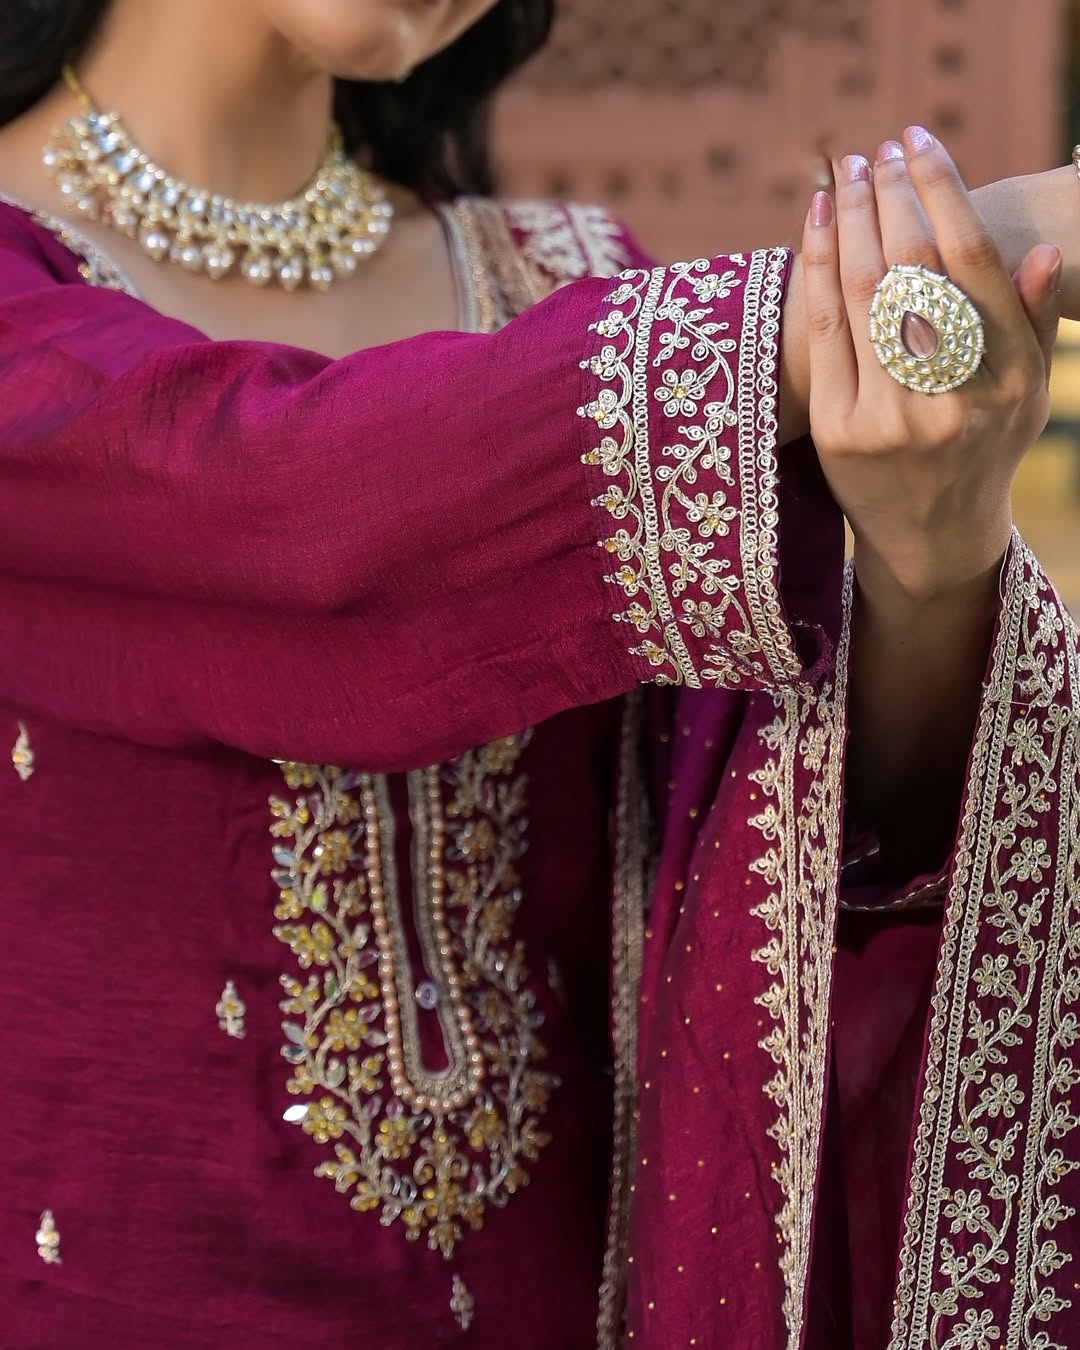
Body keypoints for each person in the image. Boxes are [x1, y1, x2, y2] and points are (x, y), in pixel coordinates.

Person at [0, 2, 1077, 1347]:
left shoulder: (569, 283)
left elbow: (790, 855)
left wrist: (932, 557)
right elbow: (291, 507)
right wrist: (971, 244)